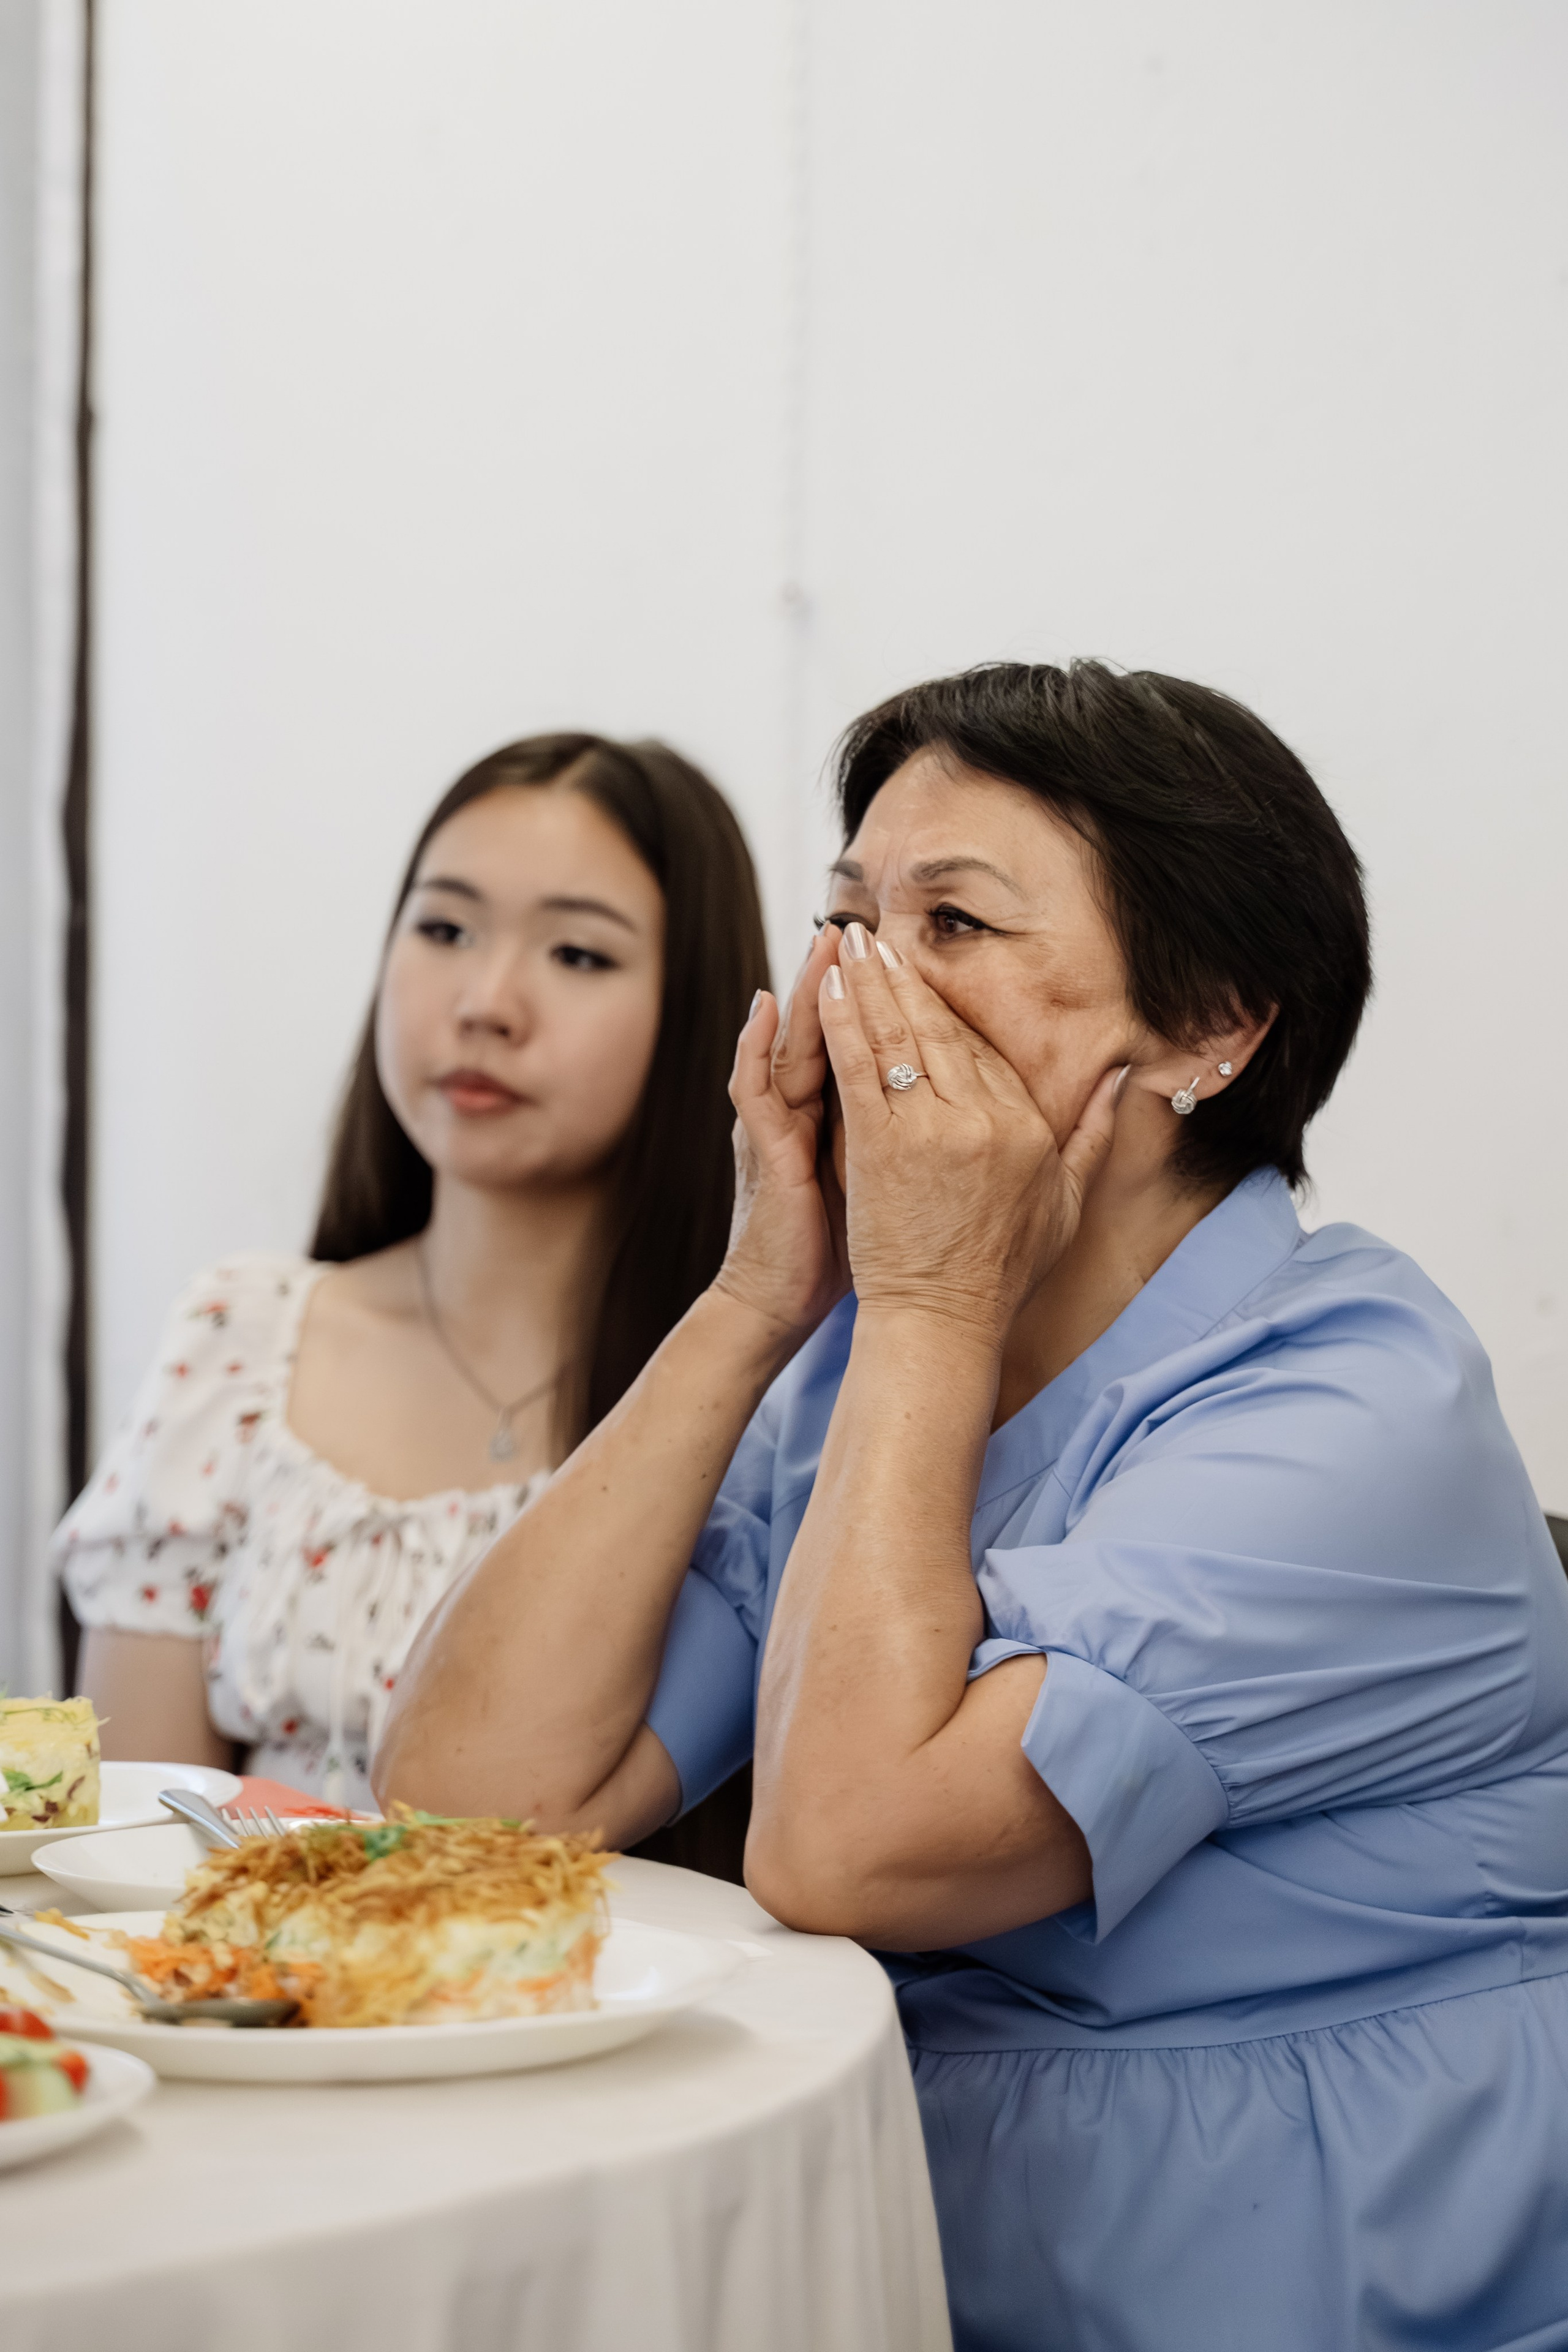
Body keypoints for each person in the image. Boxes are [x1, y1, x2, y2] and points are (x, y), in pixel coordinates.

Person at [375, 663, 1568, 2350]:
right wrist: (755, 1299)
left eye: (952, 925)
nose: (858, 989)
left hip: (1310, 2280)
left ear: (1212, 1029)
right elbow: (467, 1804)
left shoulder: (1359, 1403)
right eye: (846, 920)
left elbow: (845, 1853)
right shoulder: (866, 1359)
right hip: (909, 2250)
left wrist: (929, 1296)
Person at [59, 731, 768, 1872]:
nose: (486, 1002)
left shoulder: (758, 1400)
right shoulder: (243, 1344)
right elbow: (128, 1848)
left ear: (697, 1014)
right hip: (243, 1974)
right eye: (444, 930)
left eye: (577, 954)